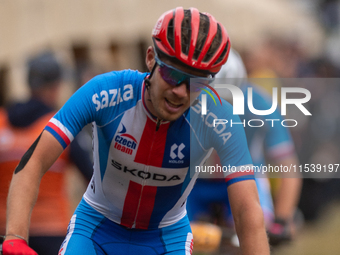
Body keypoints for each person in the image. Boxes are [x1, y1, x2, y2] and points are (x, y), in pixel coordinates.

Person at [3, 7, 270, 255]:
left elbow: (247, 209)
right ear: (151, 58)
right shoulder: (107, 92)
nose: (180, 92)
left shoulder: (218, 118)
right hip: (95, 229)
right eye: (172, 75)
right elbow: (33, 161)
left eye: (195, 83)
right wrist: (15, 235)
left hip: (166, 240)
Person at [187, 48, 302, 248]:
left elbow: (288, 167)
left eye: (228, 102)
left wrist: (282, 220)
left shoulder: (261, 103)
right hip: (196, 182)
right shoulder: (182, 100)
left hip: (245, 177)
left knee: (252, 234)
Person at [0, 51, 93, 254]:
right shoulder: (60, 127)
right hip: (53, 231)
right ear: (56, 85)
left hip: (9, 233)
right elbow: (93, 179)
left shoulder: (1, 122)